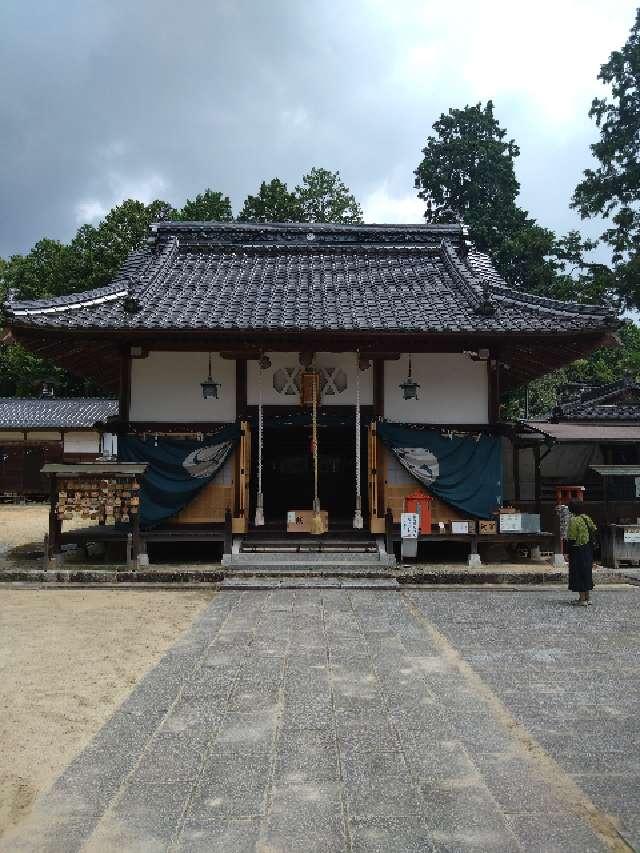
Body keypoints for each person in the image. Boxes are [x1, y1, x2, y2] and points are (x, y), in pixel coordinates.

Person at [566, 501, 597, 606]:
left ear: (571, 509)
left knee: (578, 573)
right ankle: (587, 598)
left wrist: (568, 552)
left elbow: (572, 538)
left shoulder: (573, 520)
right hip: (588, 548)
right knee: (586, 572)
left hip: (578, 549)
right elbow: (594, 528)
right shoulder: (586, 518)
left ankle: (582, 599)